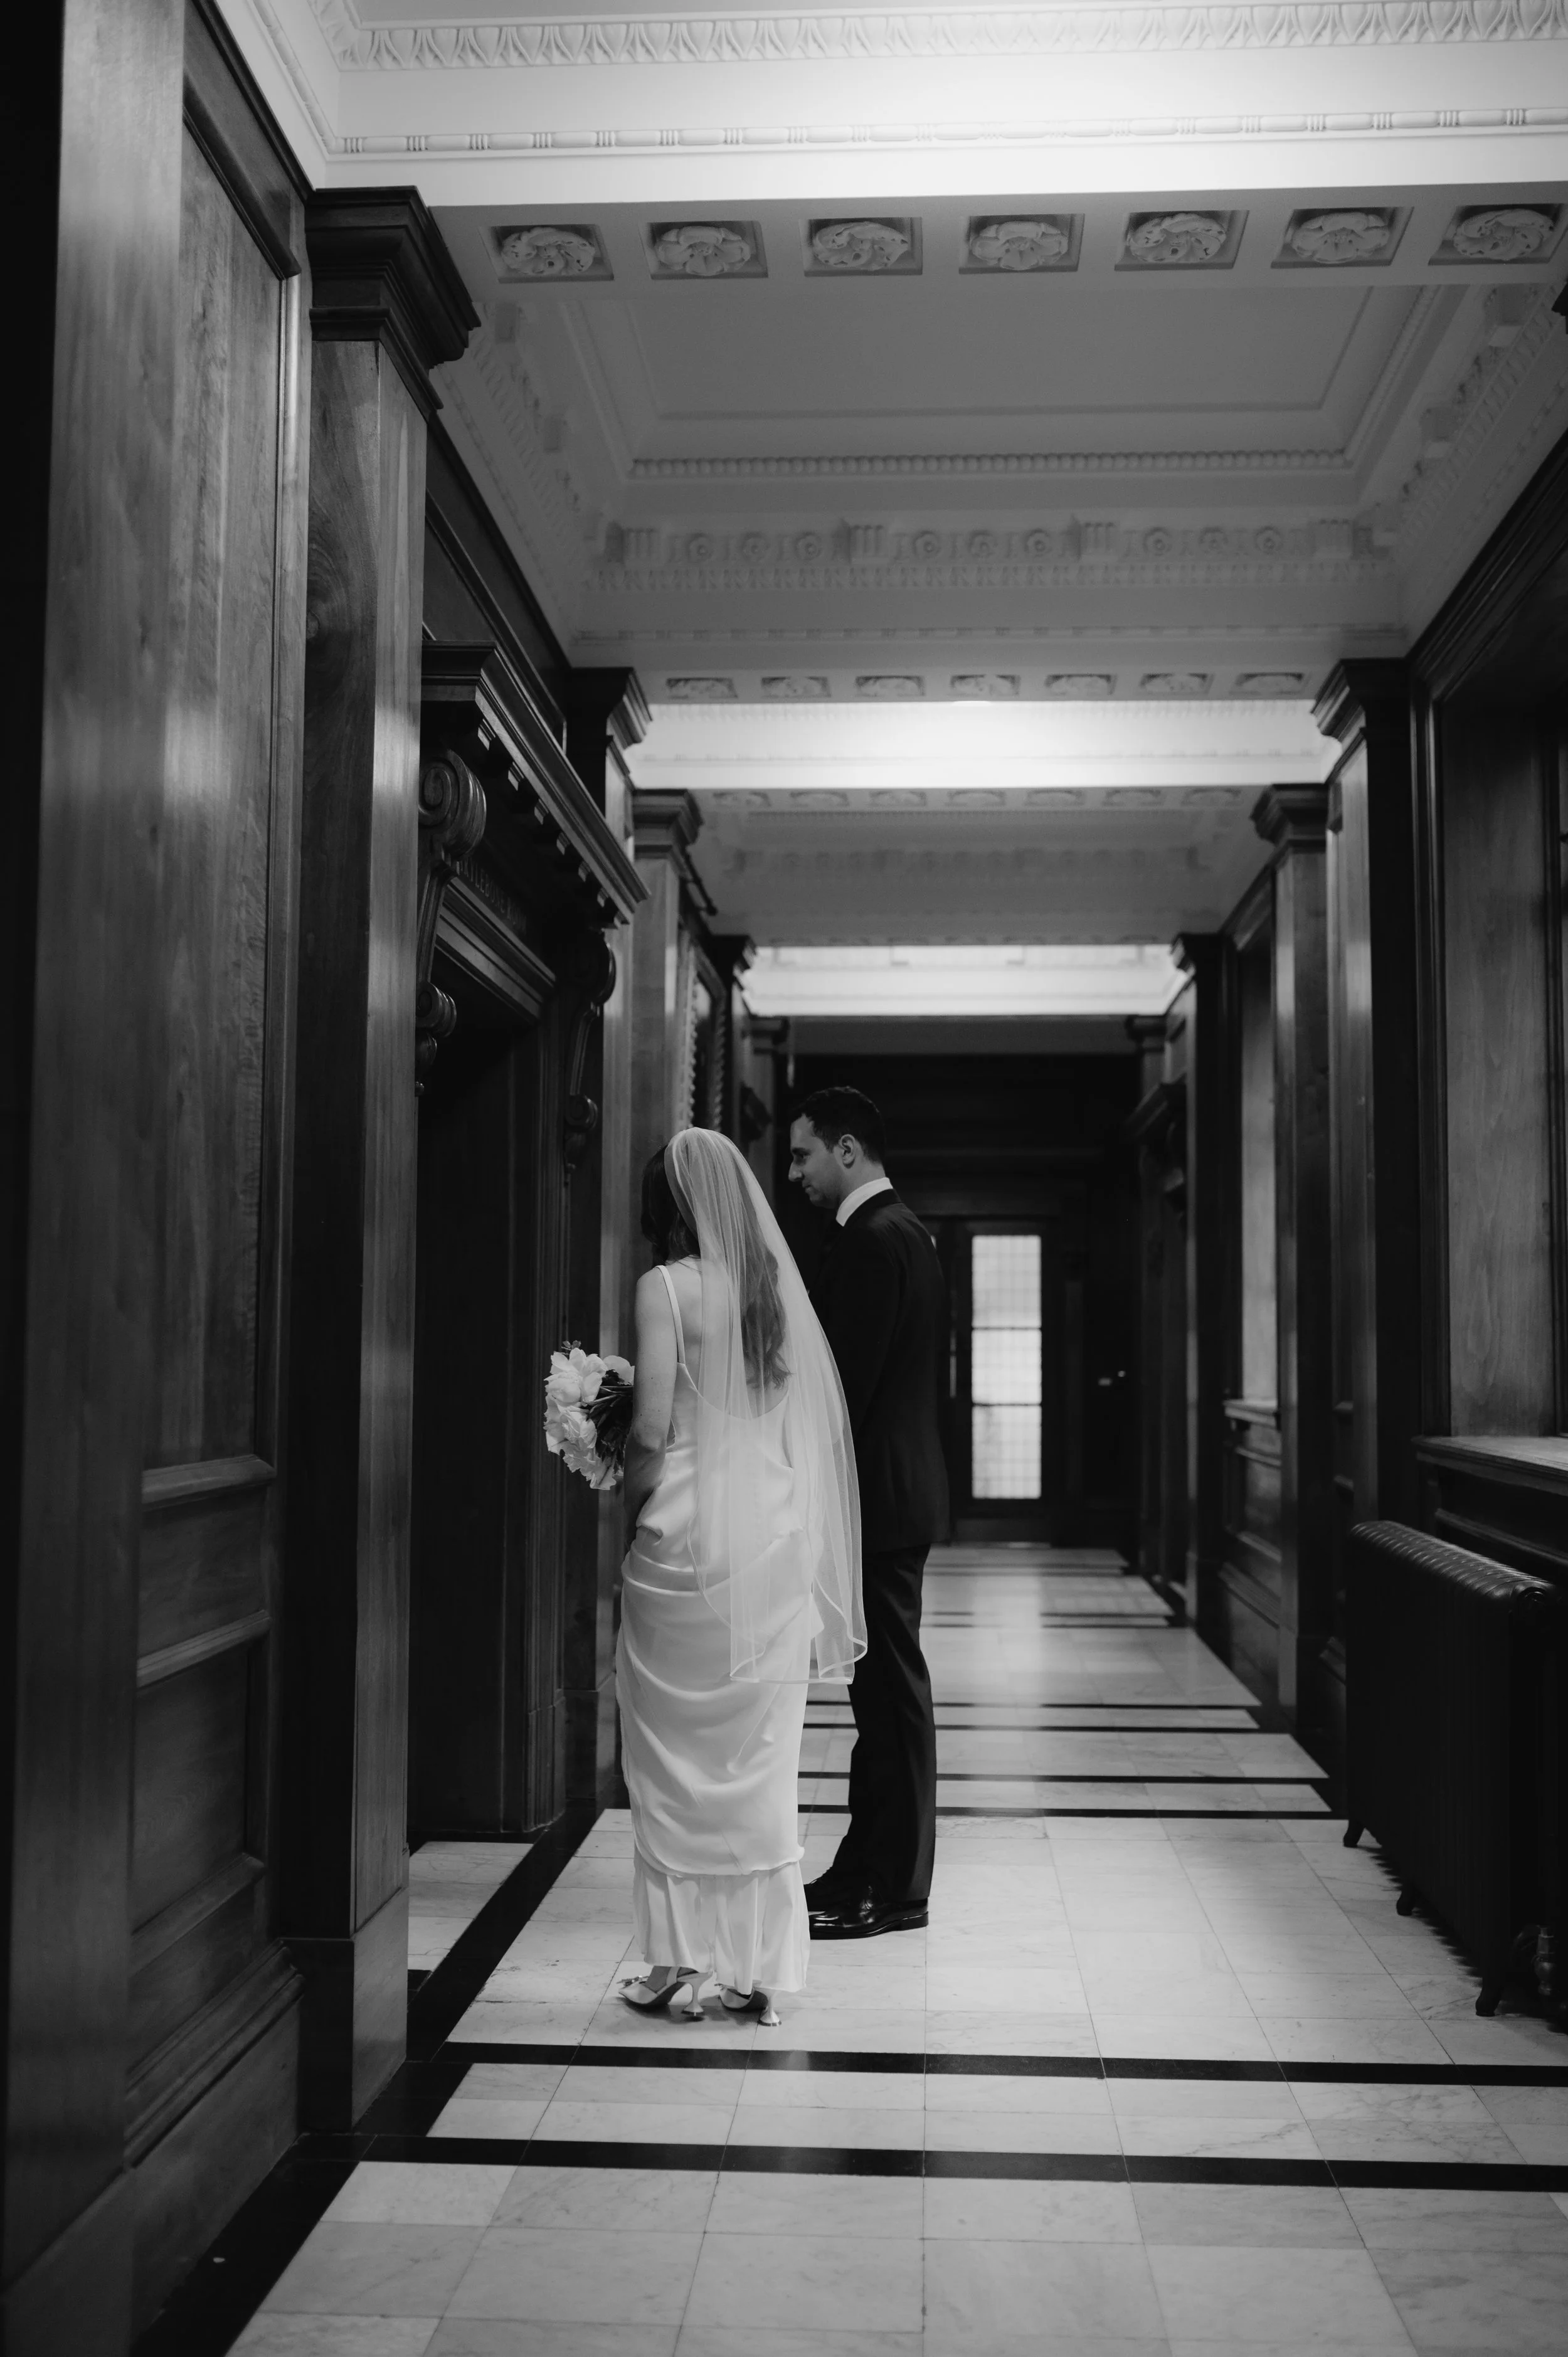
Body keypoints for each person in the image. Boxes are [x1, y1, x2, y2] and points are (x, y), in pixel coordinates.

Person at [615, 1128, 863, 2025]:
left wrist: (623, 1491)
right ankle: (756, 1970)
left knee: (669, 1759)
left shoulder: (665, 1288)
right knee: (761, 1761)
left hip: (687, 1541)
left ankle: (675, 1959)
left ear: (666, 1210)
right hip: (773, 1537)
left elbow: (651, 1431)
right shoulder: (772, 1288)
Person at [787, 1086, 949, 1938]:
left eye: (803, 1154)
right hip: (894, 1492)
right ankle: (864, 1866)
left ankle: (895, 1886)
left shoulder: (871, 1240)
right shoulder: (905, 1231)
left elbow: (842, 1389)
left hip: (879, 1500)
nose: (795, 1173)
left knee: (890, 1696)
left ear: (847, 1149)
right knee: (879, 1697)